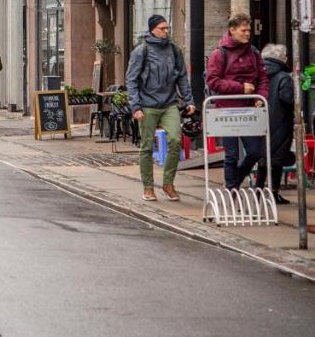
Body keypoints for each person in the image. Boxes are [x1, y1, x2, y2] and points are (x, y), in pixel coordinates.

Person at [125, 14, 194, 202]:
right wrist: (135, 106)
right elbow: (131, 80)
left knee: (175, 140)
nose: (166, 31)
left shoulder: (174, 49)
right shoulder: (141, 51)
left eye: (167, 28)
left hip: (169, 103)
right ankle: (148, 187)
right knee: (147, 146)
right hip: (147, 106)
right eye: (162, 28)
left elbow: (182, 77)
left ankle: (168, 183)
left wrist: (189, 101)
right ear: (152, 29)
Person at [206, 13, 268, 191]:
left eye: (249, 30)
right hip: (227, 110)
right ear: (232, 30)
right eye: (243, 30)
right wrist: (240, 87)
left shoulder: (254, 52)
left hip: (250, 110)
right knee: (231, 155)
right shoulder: (219, 54)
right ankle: (232, 191)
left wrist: (259, 96)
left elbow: (263, 78)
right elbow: (213, 81)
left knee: (256, 151)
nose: (247, 34)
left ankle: (235, 180)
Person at [260, 43, 296, 204]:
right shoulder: (283, 77)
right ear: (281, 59)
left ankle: (259, 190)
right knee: (277, 159)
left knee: (263, 158)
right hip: (281, 122)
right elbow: (288, 99)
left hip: (261, 122)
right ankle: (274, 192)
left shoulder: (259, 74)